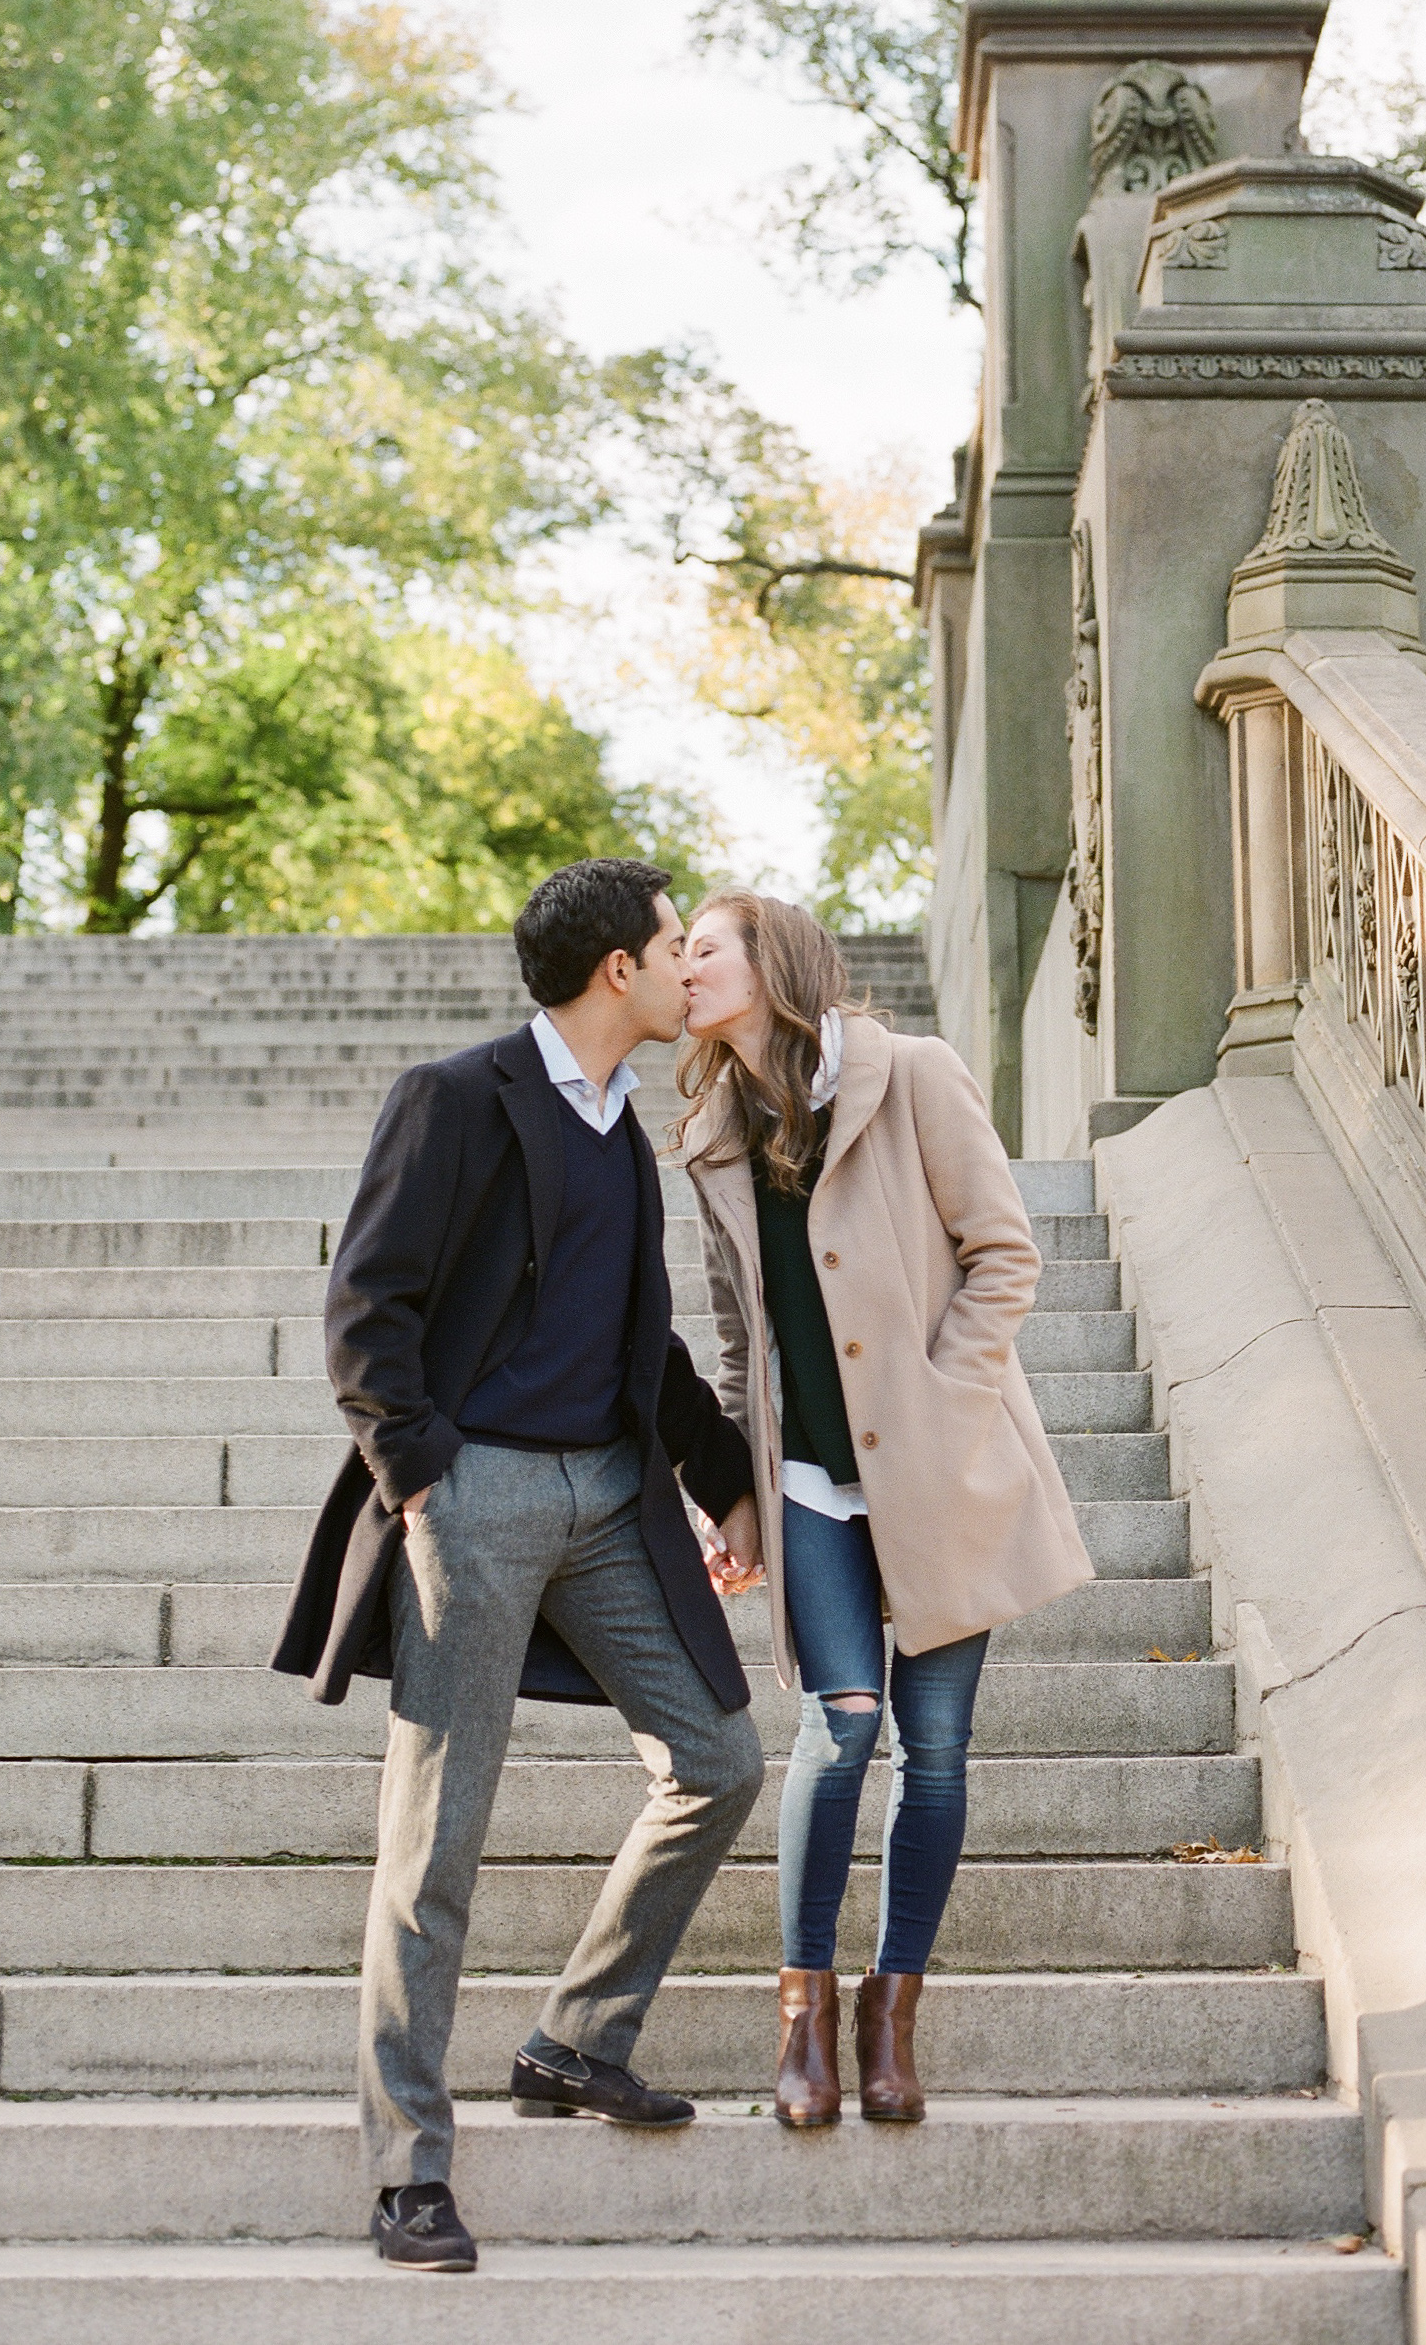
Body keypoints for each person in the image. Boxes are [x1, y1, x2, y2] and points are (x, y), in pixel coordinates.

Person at [272, 858, 764, 2272]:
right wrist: (420, 1479)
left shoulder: (621, 1129)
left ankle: (574, 2039)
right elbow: (367, 1306)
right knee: (434, 1843)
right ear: (617, 967)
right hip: (471, 1494)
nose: (689, 967)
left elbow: (643, 1348)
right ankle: (406, 2166)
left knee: (718, 1760)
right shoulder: (456, 1097)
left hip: (611, 1500)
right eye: (675, 946)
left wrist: (721, 1486)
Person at [678, 891, 1092, 2129]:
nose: (680, 969)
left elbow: (1004, 1252)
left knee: (942, 1752)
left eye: (703, 949)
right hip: (803, 1480)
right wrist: (736, 1500)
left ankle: (890, 2006)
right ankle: (801, 2010)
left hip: (944, 1468)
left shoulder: (912, 1074)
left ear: (771, 965)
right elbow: (739, 1334)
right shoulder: (708, 1133)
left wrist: (944, 1405)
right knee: (843, 1722)